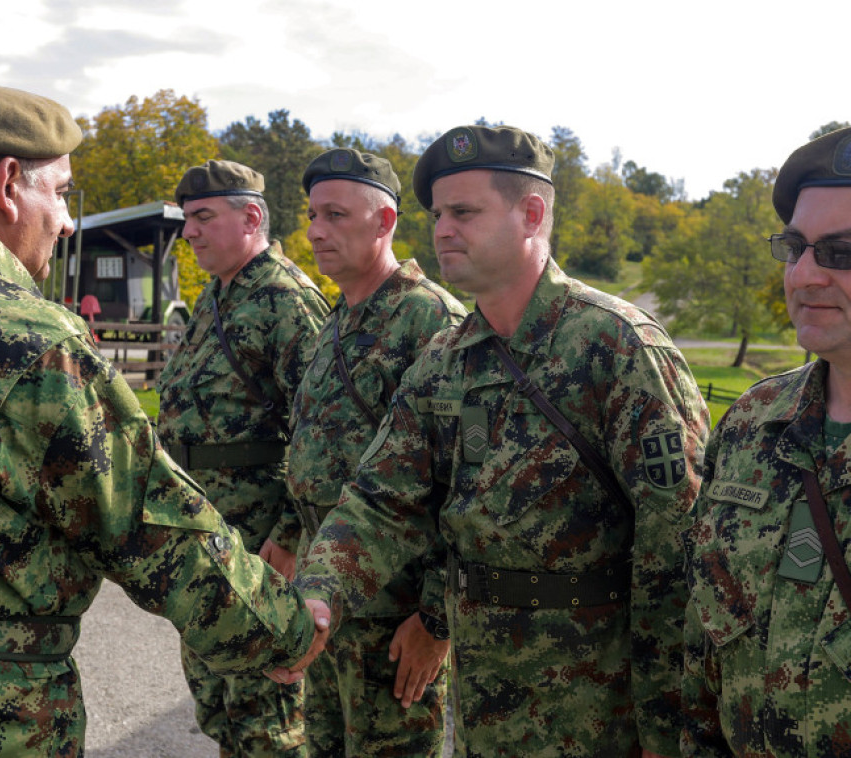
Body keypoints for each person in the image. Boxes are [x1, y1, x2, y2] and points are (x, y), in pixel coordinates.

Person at [0, 86, 327, 758]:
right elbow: (153, 525)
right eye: (60, 192)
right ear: (9, 184)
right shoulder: (25, 337)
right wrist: (284, 629)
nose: (65, 221)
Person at [285, 125, 709, 757]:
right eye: (437, 214)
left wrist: (667, 723)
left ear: (531, 214)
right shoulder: (445, 359)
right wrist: (320, 592)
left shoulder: (614, 346)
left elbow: (680, 543)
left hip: (597, 704)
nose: (442, 230)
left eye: (464, 212)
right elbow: (381, 499)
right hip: (488, 702)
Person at [267, 147, 466, 755]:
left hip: (394, 620)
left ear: (384, 223)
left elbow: (460, 483)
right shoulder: (340, 318)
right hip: (332, 609)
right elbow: (315, 444)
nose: (315, 231)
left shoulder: (426, 318)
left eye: (334, 215)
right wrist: (289, 533)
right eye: (311, 215)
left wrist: (436, 621)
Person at [682, 126, 851, 756]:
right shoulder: (754, 420)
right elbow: (703, 638)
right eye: (797, 247)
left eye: (841, 252)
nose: (804, 274)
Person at [157, 159, 330, 757]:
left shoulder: (287, 300)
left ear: (251, 216)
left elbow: (320, 432)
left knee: (269, 723)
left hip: (260, 545)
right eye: (188, 220)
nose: (190, 233)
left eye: (203, 217)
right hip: (207, 539)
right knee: (219, 705)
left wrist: (289, 534)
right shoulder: (215, 298)